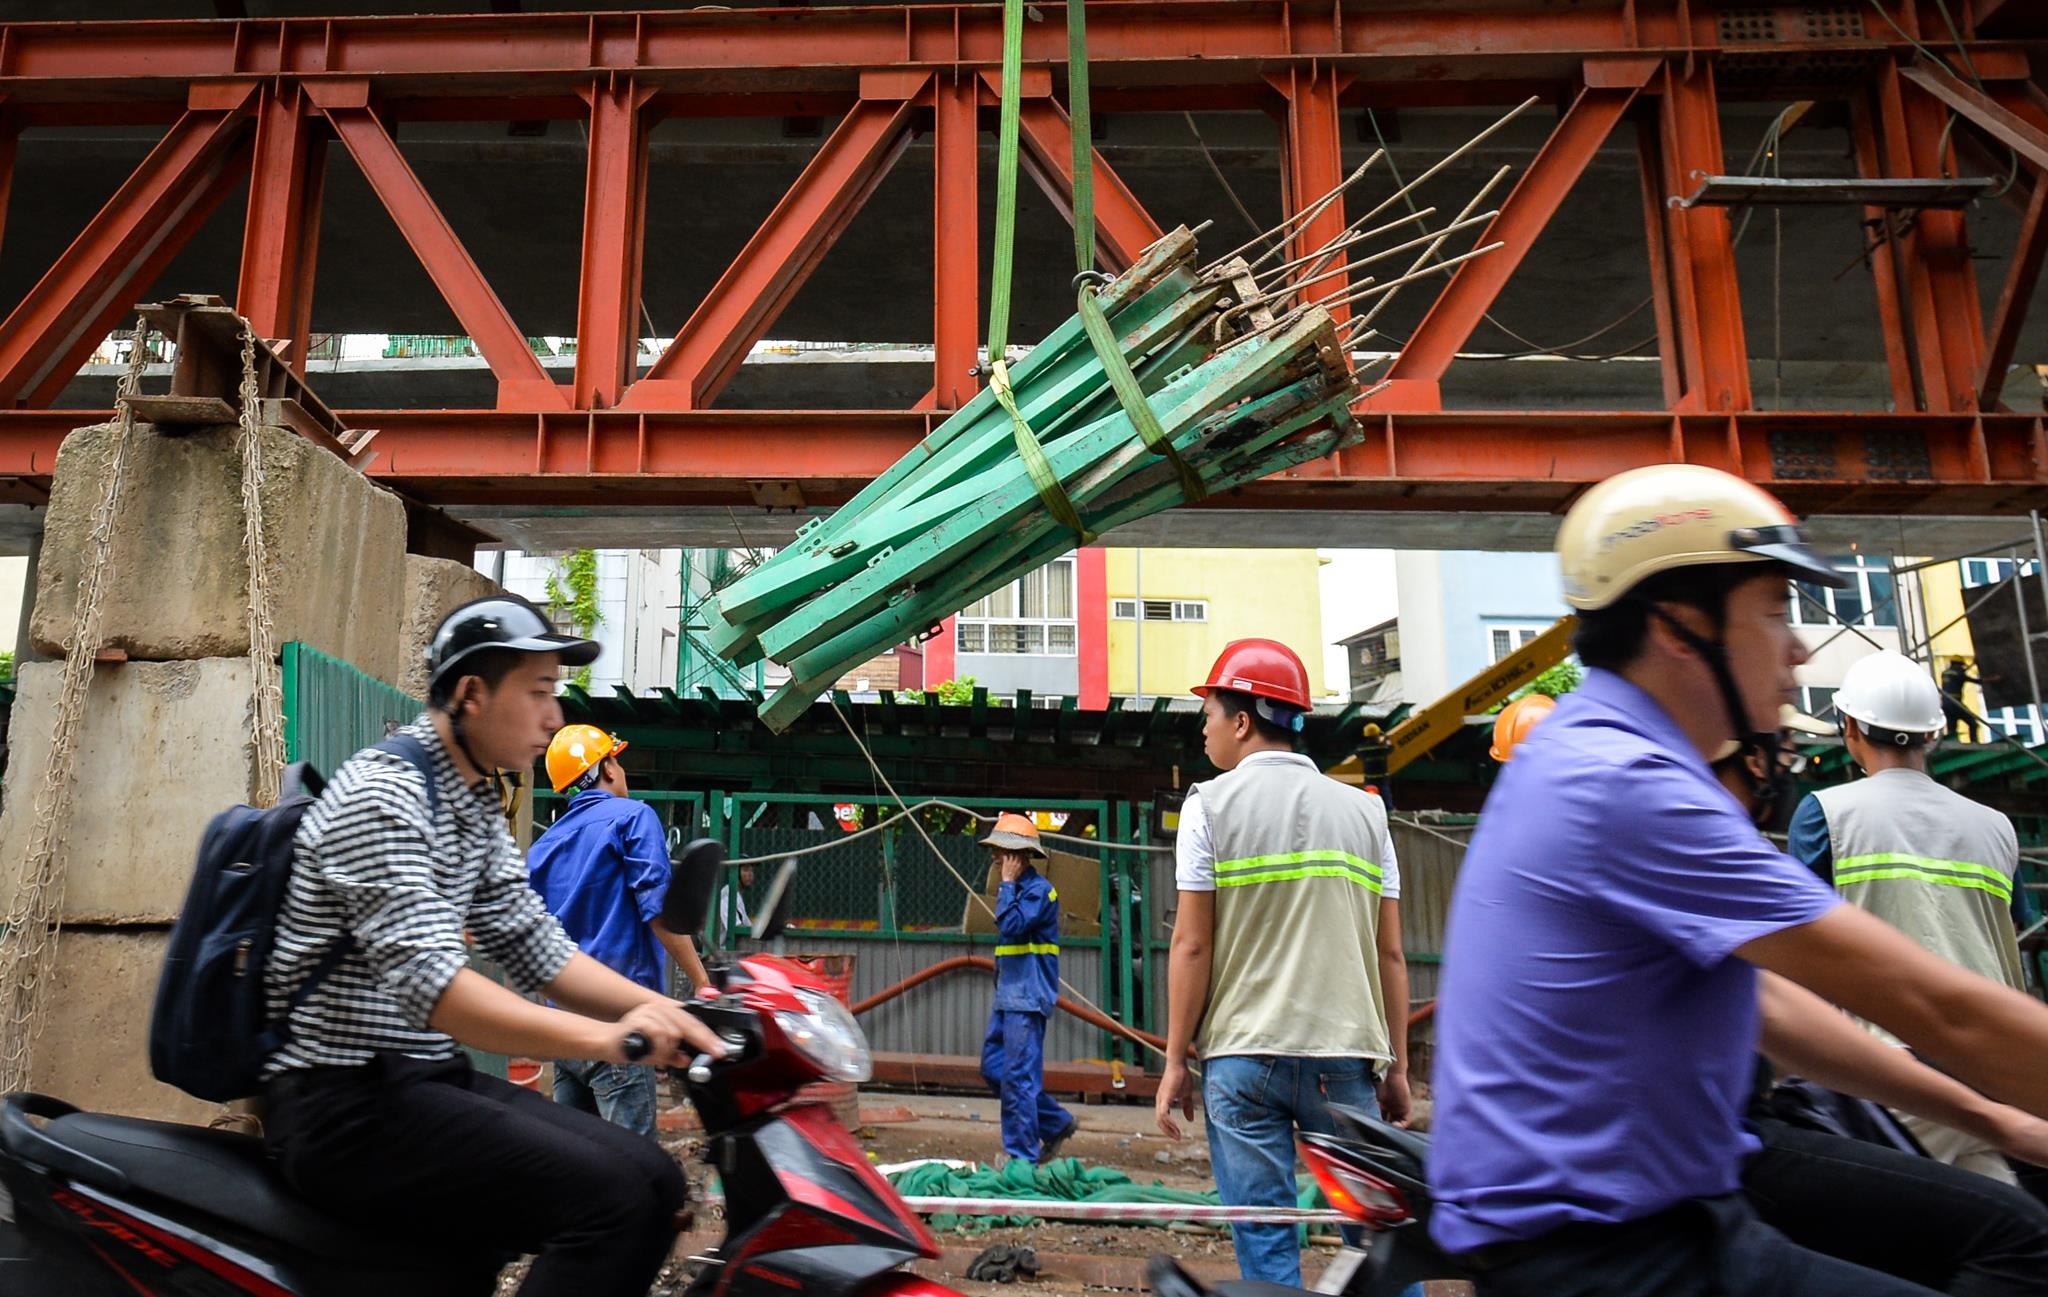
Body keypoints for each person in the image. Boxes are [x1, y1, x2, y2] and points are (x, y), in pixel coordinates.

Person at [1428, 464, 2048, 1297]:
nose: (1797, 648)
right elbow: (1937, 1004)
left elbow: (1770, 1004)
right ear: (1682, 628)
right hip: (1622, 1259)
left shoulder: (1604, 751)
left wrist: (1988, 1115)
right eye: (1772, 609)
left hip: (1671, 1218)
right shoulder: (1627, 783)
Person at [1491, 703, 2048, 1295]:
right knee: (2013, 1236)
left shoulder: (1546, 851)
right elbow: (1813, 1006)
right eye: (1786, 750)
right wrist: (1993, 1113)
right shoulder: (1672, 838)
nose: (1793, 765)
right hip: (1681, 1164)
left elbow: (1776, 1005)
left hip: (1718, 1132)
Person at [261, 596, 726, 1297]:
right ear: (472, 694)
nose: (554, 717)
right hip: (343, 1104)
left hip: (416, 1079)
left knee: (654, 1174)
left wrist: (672, 1010)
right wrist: (618, 1040)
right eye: (538, 692)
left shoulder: (470, 801)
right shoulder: (385, 794)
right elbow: (440, 991)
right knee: (618, 1200)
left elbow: (540, 949)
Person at [1154, 638, 1409, 1287]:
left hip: (1242, 1058)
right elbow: (1390, 953)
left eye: (1208, 711)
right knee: (1383, 1241)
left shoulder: (1208, 805)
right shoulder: (1367, 811)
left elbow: (1191, 945)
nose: (1204, 726)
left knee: (1266, 1245)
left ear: (1242, 719)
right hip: (1345, 1060)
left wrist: (1175, 1059)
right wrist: (1398, 1065)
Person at [1788, 650, 2029, 1182]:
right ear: (1935, 735)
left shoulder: (1827, 813)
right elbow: (2011, 933)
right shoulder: (1997, 828)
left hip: (1890, 1072)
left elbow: (1792, 938)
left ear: (1848, 728)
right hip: (1990, 1066)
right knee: (2000, 1229)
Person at [528, 723, 712, 1137]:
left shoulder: (543, 847)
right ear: (607, 768)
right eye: (618, 759)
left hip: (566, 1032)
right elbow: (658, 911)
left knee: (580, 1160)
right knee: (634, 1163)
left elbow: (533, 942)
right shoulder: (633, 818)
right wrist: (701, 982)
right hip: (619, 1023)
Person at [977, 813, 1078, 1167]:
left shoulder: (1038, 892)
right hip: (1008, 998)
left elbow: (1013, 926)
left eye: (1000, 854)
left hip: (1027, 998)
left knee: (1018, 1079)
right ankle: (1055, 1122)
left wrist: (1006, 885)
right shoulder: (1017, 892)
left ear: (1016, 856)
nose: (995, 860)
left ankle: (1021, 1157)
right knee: (994, 1068)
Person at [1942, 657, 1985, 744]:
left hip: (1946, 704)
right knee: (1973, 723)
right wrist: (1994, 679)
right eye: (1961, 666)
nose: (1962, 667)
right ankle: (1974, 743)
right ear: (1957, 665)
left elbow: (1961, 674)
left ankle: (1952, 746)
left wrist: (1971, 664)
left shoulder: (1945, 673)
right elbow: (1976, 681)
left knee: (1952, 729)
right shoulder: (1959, 674)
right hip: (1956, 703)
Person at [718, 860, 757, 946]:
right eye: (746, 870)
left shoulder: (737, 894)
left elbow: (747, 925)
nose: (750, 874)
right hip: (720, 949)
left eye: (752, 871)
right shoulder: (727, 894)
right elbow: (735, 928)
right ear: (736, 872)